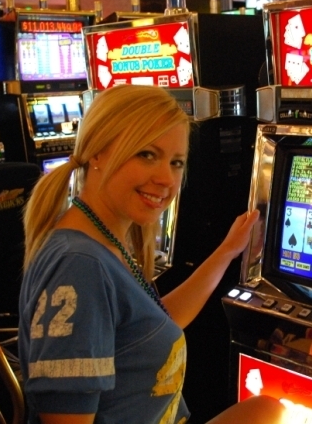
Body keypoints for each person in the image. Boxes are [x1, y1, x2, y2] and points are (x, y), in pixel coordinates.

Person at [19, 84, 286, 424]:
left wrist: (227, 251)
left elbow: (154, 324)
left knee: (271, 409)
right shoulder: (79, 266)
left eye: (176, 163)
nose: (166, 179)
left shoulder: (100, 240)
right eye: (146, 154)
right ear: (97, 152)